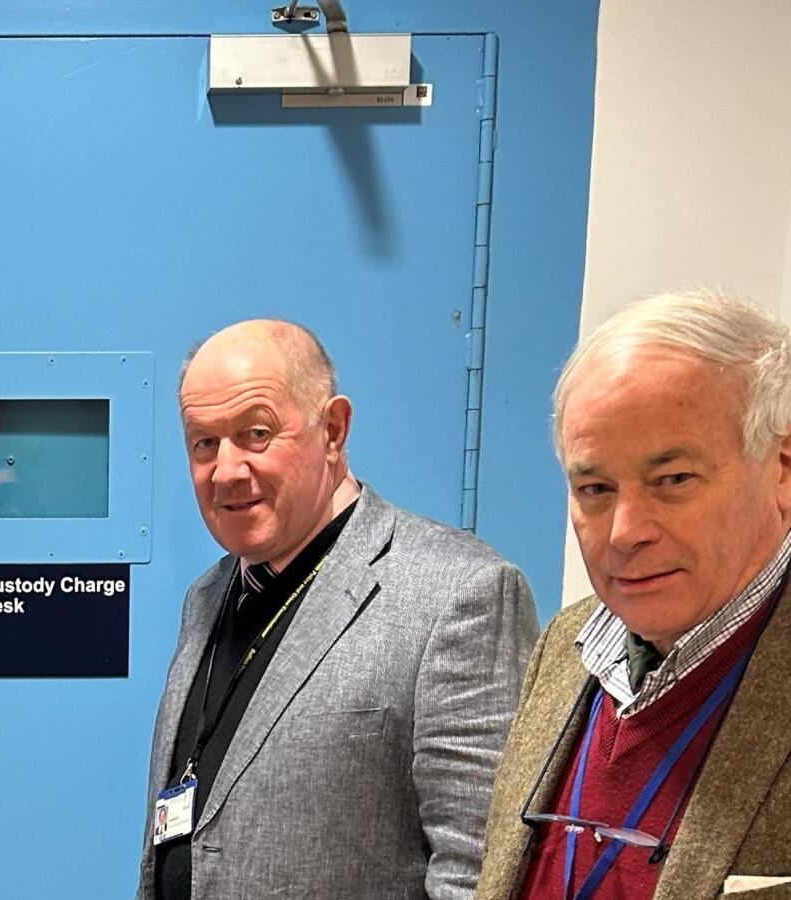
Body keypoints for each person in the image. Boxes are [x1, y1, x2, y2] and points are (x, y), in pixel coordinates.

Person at [138, 319, 539, 900]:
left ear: (332, 430)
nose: (226, 470)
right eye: (204, 443)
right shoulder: (208, 595)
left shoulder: (459, 594)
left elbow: (481, 873)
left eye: (256, 434)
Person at [476, 291, 791, 898]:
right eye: (595, 488)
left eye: (673, 479)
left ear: (782, 467)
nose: (624, 533)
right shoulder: (565, 647)